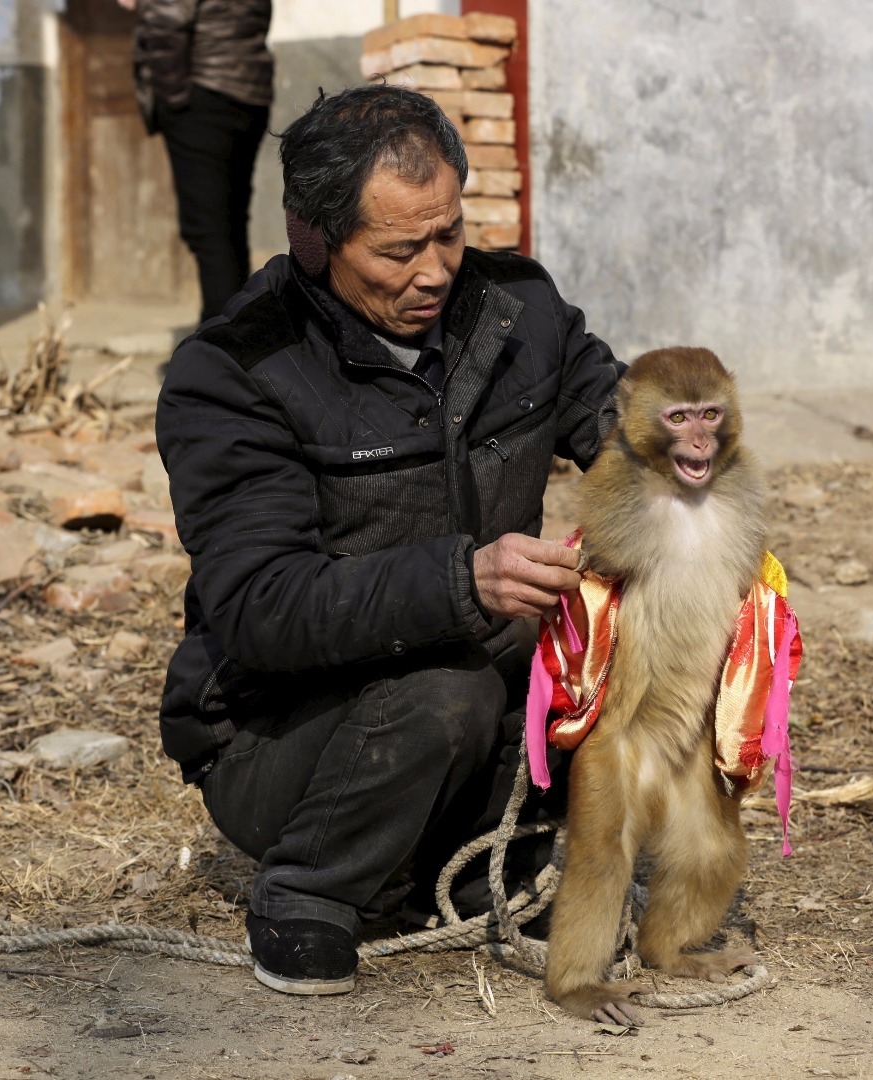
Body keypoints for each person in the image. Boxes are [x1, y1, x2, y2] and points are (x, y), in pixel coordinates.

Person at [153, 84, 625, 996]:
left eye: (448, 232)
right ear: (312, 238)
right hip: (283, 734)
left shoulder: (518, 311)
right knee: (442, 691)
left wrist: (688, 481)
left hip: (483, 690)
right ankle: (308, 893)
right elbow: (261, 609)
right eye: (400, 250)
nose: (438, 270)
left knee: (633, 622)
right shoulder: (236, 370)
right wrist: (464, 579)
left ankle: (495, 860)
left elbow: (622, 428)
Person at [128, 0, 274, 323]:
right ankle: (239, 341)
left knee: (209, 232)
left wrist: (173, 99)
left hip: (204, 93)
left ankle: (218, 353)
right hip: (248, 90)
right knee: (229, 227)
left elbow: (167, 20)